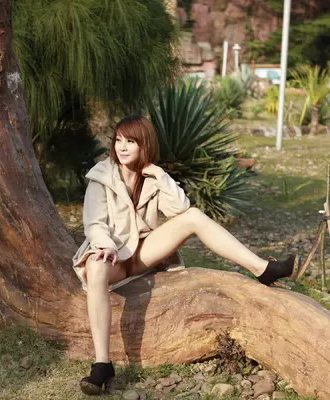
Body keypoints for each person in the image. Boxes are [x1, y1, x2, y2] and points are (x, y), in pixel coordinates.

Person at [72, 115, 299, 395]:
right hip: (112, 255)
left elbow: (181, 208)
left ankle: (262, 269)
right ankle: (102, 365)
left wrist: (158, 175)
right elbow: (94, 222)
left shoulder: (151, 177)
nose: (122, 147)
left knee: (194, 216)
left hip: (142, 252)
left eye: (131, 141)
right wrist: (104, 245)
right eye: (119, 140)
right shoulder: (101, 176)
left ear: (145, 145)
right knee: (96, 268)